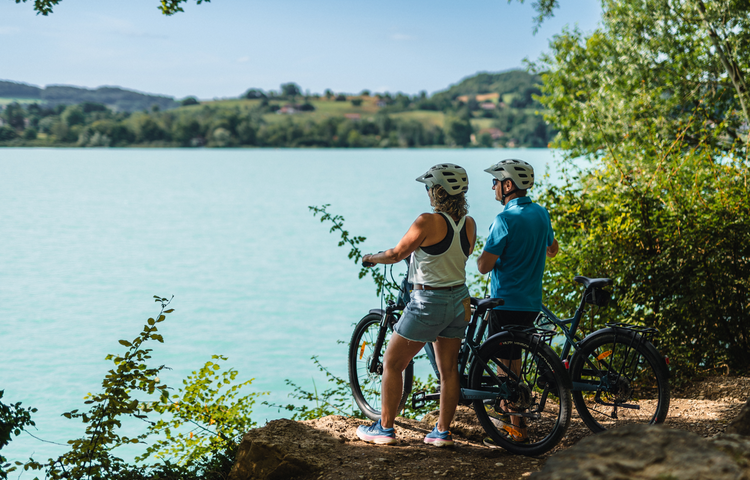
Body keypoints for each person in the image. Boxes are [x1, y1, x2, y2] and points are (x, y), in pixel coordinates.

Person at [356, 163, 476, 447]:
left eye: (428, 187)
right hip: (460, 300)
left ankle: (384, 429)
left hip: (428, 302)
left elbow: (398, 253)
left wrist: (371, 257)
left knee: (392, 362)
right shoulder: (468, 223)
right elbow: (464, 255)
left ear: (437, 191)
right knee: (449, 371)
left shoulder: (427, 221)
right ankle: (441, 433)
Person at [476, 159, 559, 445]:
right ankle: (514, 425)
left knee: (504, 369)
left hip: (504, 302)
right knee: (515, 364)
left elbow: (484, 266)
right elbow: (553, 250)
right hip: (531, 303)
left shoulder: (504, 220)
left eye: (496, 182)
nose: (493, 187)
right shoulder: (541, 214)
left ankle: (516, 433)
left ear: (508, 185)